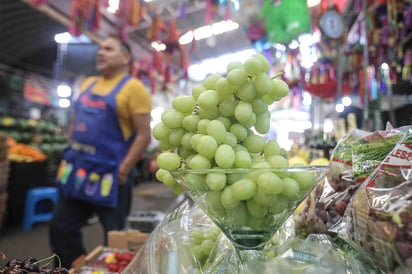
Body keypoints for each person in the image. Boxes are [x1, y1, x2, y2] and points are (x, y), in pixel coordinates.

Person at [49, 36, 152, 268]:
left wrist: (124, 169)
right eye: (99, 49)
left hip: (110, 176)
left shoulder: (133, 88)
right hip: (77, 172)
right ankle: (75, 268)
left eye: (108, 49)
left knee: (113, 236)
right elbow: (75, 122)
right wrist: (69, 150)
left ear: (126, 57)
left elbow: (144, 135)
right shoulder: (88, 83)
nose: (100, 53)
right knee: (61, 227)